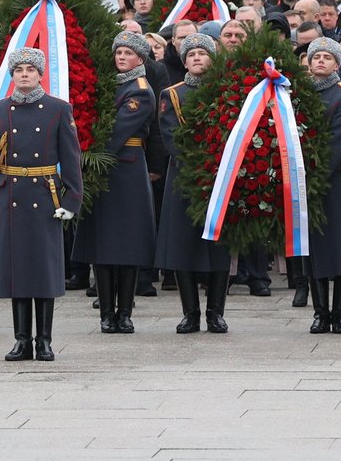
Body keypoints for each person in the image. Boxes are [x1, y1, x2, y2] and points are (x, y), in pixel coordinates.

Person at [0, 47, 82, 362]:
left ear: (40, 75)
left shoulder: (58, 109)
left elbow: (71, 157)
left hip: (44, 196)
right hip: (11, 196)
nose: (24, 74)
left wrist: (71, 198)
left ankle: (45, 341)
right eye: (19, 69)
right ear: (12, 75)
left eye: (30, 69)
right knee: (17, 271)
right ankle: (22, 340)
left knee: (44, 271)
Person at [71, 32, 156, 334]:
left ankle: (125, 311)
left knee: (127, 246)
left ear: (140, 59)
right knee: (102, 244)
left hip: (126, 170)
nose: (121, 57)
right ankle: (107, 312)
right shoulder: (111, 84)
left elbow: (117, 130)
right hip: (104, 171)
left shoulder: (141, 90)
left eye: (128, 53)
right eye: (118, 51)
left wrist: (87, 154)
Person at [155, 33, 226, 333]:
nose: (197, 57)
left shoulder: (227, 92)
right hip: (184, 175)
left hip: (219, 177)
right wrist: (198, 161)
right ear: (184, 61)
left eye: (203, 52)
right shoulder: (171, 95)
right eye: (191, 53)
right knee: (183, 244)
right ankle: (191, 312)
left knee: (219, 245)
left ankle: (215, 312)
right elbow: (171, 136)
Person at [303, 38, 341, 334]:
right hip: (307, 177)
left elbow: (337, 141)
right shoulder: (296, 93)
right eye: (316, 57)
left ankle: (340, 312)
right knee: (315, 245)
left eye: (327, 57)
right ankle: (319, 311)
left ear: (337, 64)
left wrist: (314, 174)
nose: (321, 61)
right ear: (309, 63)